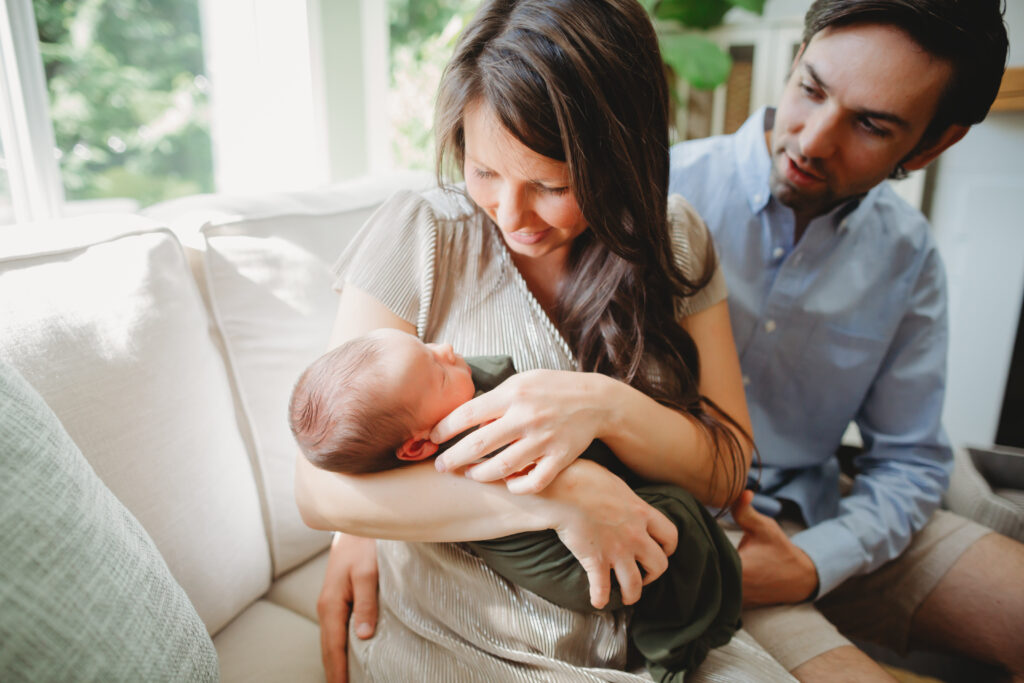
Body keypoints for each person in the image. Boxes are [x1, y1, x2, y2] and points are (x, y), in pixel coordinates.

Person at [292, 1, 771, 681]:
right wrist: (553, 492)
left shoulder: (675, 241)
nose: (510, 214)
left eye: (551, 185)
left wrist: (604, 406)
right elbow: (319, 488)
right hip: (459, 641)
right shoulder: (422, 234)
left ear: (622, 159)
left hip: (658, 637)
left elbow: (727, 468)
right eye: (483, 171)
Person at [667, 0, 1024, 680]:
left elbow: (912, 462)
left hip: (827, 518)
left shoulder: (908, 255)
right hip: (693, 528)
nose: (813, 139)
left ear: (932, 144)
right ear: (795, 59)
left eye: (870, 124)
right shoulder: (663, 188)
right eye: (811, 88)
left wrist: (811, 561)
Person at [289, 328, 743, 680]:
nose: (447, 349)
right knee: (674, 524)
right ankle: (679, 642)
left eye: (427, 345)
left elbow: (496, 374)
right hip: (571, 568)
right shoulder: (469, 448)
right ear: (415, 449)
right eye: (440, 371)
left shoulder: (425, 411)